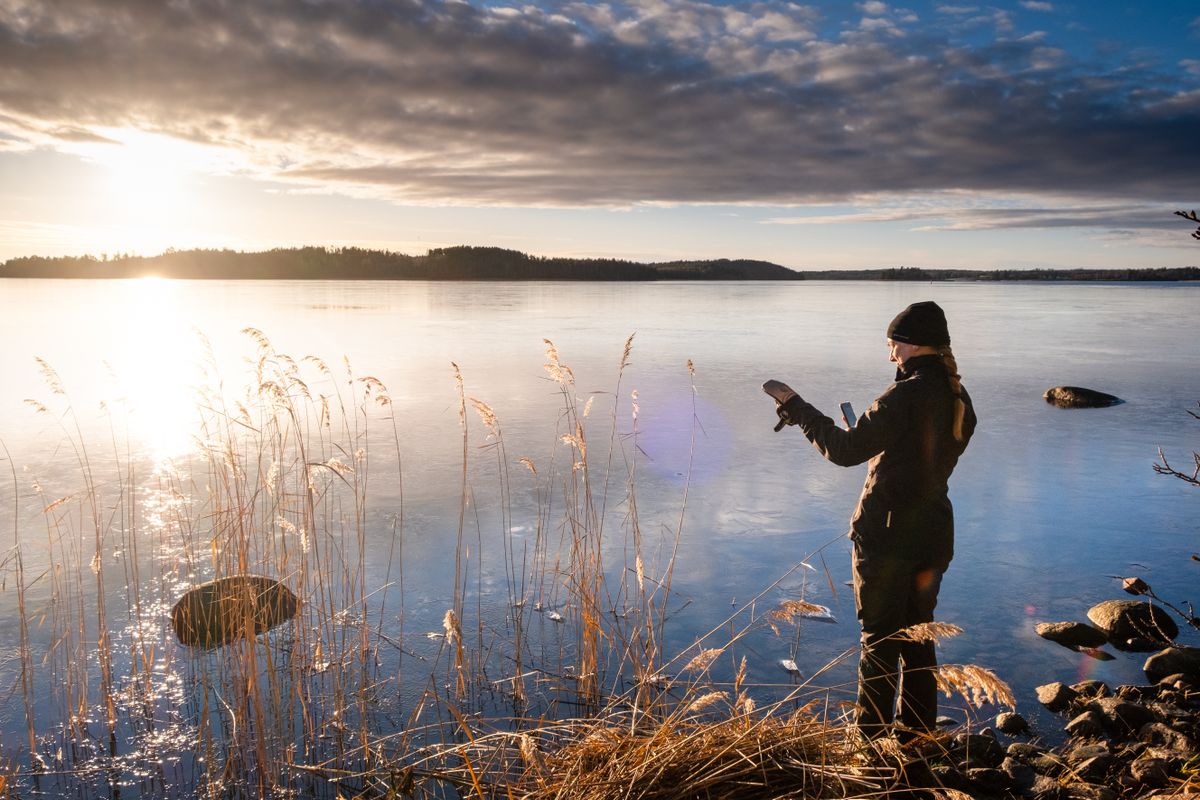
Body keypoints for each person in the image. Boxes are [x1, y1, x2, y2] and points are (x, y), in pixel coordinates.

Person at [763, 300, 976, 743]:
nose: (890, 354)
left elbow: (842, 451)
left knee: (880, 638)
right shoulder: (958, 397)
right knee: (919, 635)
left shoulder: (904, 395)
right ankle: (917, 738)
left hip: (887, 535)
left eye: (893, 344)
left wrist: (797, 407)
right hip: (933, 531)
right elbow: (920, 458)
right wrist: (878, 444)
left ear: (913, 345)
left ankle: (871, 743)